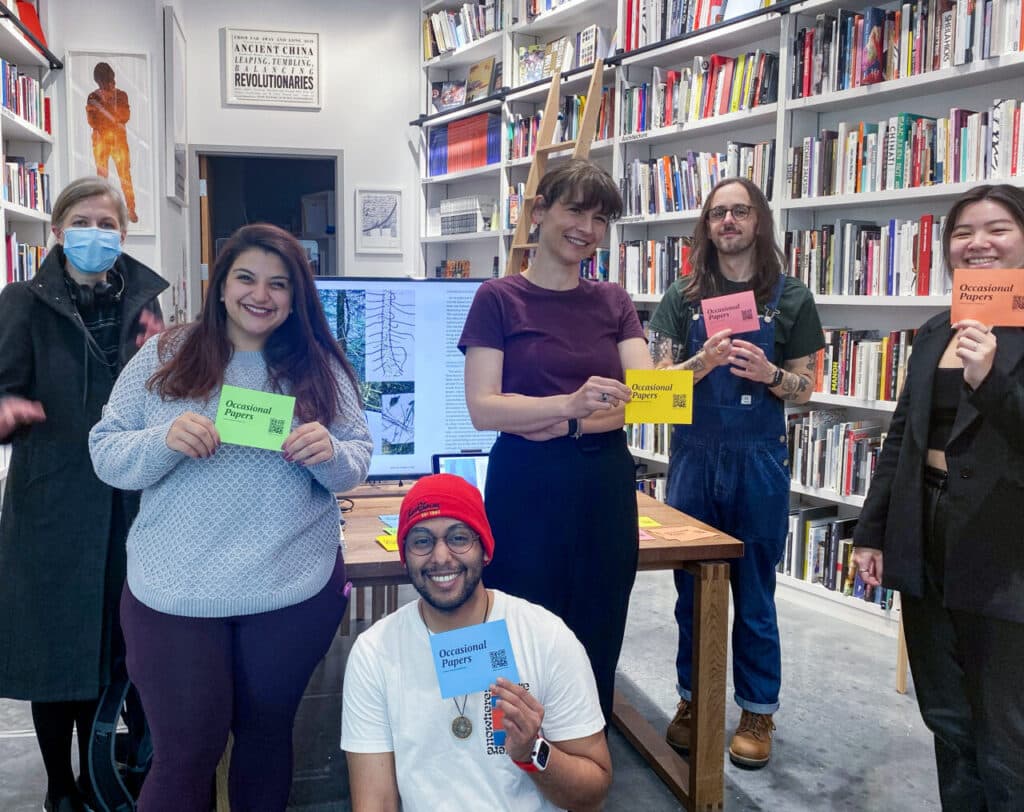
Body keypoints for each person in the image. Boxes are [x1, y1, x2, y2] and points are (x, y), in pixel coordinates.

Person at [89, 223, 372, 812]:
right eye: (246, 277)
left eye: (278, 283)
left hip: (289, 591)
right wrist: (163, 439)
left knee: (267, 740)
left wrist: (329, 454)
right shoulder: (166, 355)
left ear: (296, 297)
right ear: (221, 286)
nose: (260, 295)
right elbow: (106, 452)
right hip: (174, 594)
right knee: (185, 753)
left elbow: (355, 462)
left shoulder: (320, 364)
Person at [459, 159, 652, 723]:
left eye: (600, 219)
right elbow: (483, 409)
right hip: (526, 482)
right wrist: (571, 407)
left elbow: (638, 399)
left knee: (598, 623)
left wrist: (549, 419)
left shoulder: (613, 301)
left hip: (604, 482)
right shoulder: (498, 298)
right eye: (574, 210)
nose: (587, 229)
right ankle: (502, 758)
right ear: (539, 211)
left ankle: (583, 760)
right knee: (515, 619)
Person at [852, 184, 1024, 811]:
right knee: (947, 716)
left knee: (1007, 732)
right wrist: (872, 530)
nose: (978, 243)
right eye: (962, 232)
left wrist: (994, 382)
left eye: (997, 228)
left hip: (1006, 548)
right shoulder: (933, 329)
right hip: (926, 526)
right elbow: (902, 437)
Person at [0, 176, 167, 812]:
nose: (95, 234)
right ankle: (61, 787)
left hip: (131, 502)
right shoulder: (22, 302)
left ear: (123, 234)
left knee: (128, 643)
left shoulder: (147, 308)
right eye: (83, 221)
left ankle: (121, 767)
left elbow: (172, 390)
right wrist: (9, 410)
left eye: (107, 223)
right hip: (53, 504)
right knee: (57, 650)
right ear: (57, 230)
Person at [649, 177, 824, 769]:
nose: (728, 221)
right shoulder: (681, 295)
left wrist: (770, 374)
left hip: (759, 460)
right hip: (694, 457)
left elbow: (807, 387)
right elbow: (654, 393)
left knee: (755, 592)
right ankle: (695, 700)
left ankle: (756, 709)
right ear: (706, 225)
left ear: (759, 221)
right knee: (690, 589)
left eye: (740, 211)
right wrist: (704, 363)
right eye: (718, 212)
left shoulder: (793, 297)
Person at [341, 473, 612, 812]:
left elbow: (593, 793)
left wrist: (533, 752)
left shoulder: (546, 637)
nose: (441, 557)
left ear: (485, 549)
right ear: (405, 556)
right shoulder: (374, 653)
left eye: (459, 538)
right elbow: (375, 802)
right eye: (422, 541)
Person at [87, 61, 138, 223]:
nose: (103, 85)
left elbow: (124, 117)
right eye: (100, 83)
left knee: (124, 175)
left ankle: (131, 208)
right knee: (102, 176)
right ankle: (102, 210)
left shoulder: (121, 95)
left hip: (118, 140)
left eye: (105, 81)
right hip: (100, 140)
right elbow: (92, 121)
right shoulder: (93, 97)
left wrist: (105, 108)